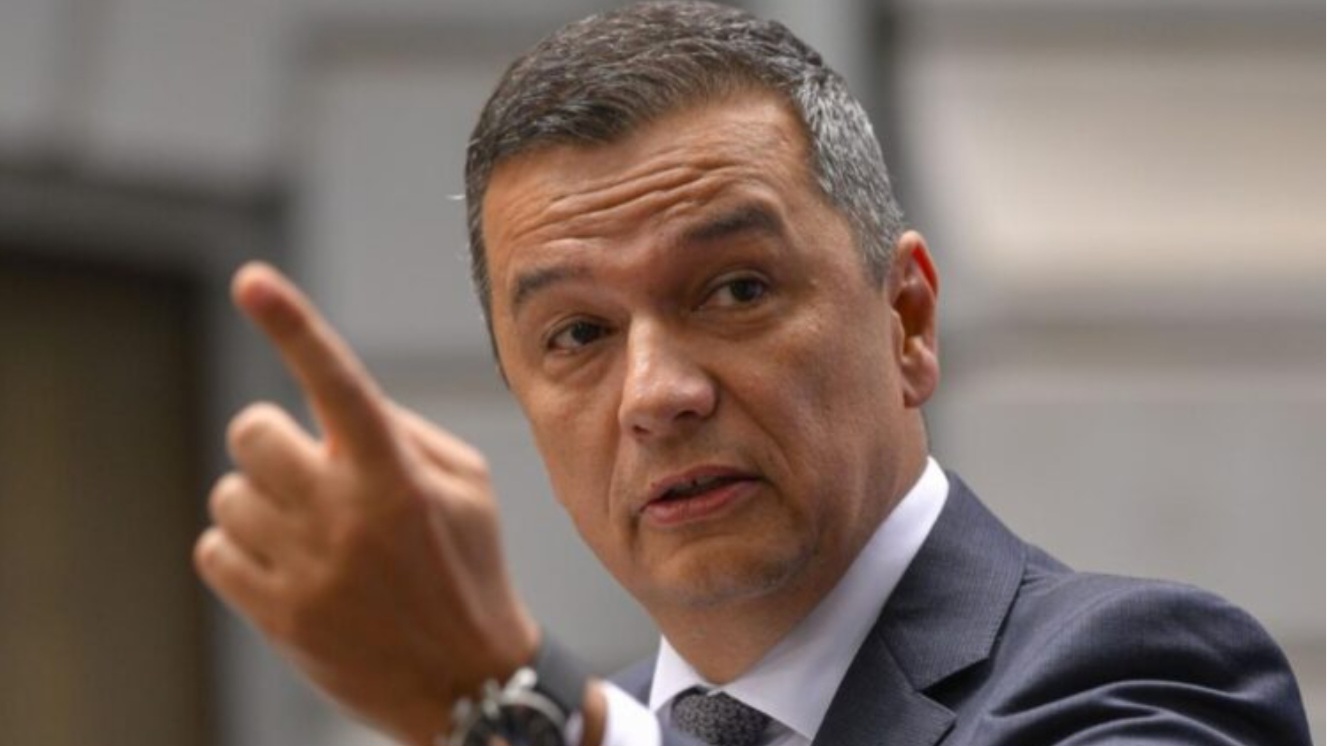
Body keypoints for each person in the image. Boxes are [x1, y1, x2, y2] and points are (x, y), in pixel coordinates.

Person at [193, 2, 1313, 745]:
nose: (655, 392)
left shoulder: (1146, 677)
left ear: (907, 319)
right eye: (577, 335)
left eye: (734, 290)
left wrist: (512, 708)